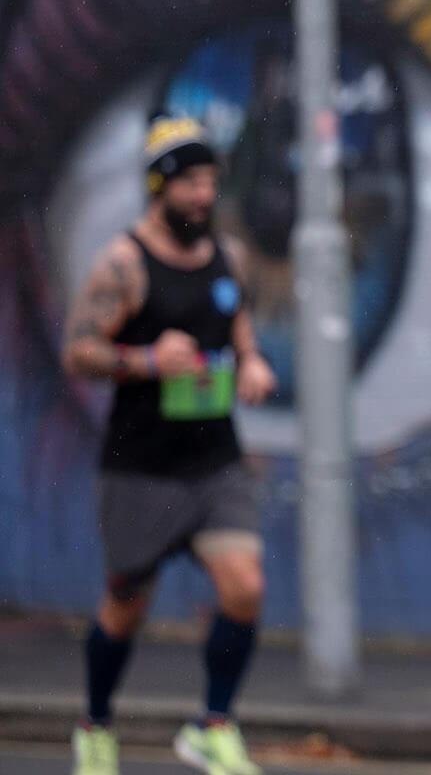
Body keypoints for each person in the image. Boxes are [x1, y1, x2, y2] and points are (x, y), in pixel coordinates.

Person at [60, 117, 279, 775]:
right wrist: (147, 359)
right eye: (189, 183)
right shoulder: (123, 264)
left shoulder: (229, 256)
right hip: (141, 465)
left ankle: (213, 724)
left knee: (244, 587)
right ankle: (95, 726)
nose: (203, 196)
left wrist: (251, 363)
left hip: (214, 460)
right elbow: (79, 352)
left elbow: (238, 323)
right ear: (160, 188)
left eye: (211, 181)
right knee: (126, 604)